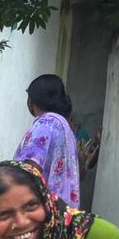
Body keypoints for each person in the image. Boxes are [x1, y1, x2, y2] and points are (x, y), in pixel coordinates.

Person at [14, 73, 80, 209]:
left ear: (32, 101)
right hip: (63, 208)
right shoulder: (64, 126)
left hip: (43, 207)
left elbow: (30, 169)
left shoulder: (45, 124)